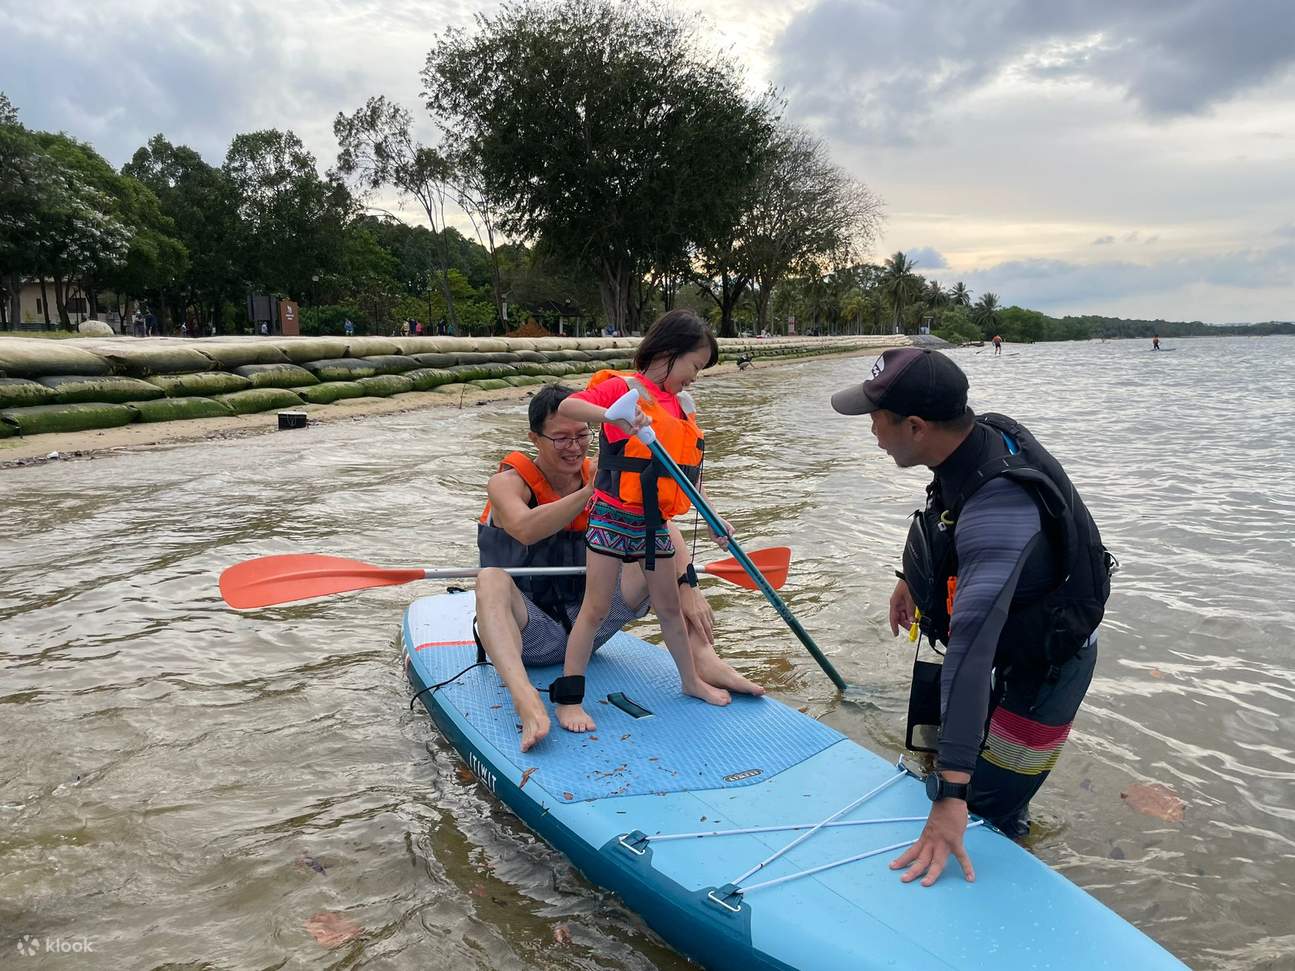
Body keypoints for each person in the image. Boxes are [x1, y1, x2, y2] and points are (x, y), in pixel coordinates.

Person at [831, 347, 1113, 887]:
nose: (870, 430)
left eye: (876, 418)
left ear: (915, 427)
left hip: (1048, 664)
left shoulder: (1001, 508)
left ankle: (998, 884)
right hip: (1010, 632)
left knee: (988, 807)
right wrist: (910, 576)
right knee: (957, 767)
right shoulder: (971, 438)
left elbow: (971, 650)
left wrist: (951, 795)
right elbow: (945, 513)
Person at [476, 383, 763, 751]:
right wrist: (590, 493)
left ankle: (703, 660)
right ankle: (526, 700)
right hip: (533, 632)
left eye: (582, 435)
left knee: (652, 537)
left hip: (587, 626)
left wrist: (687, 584)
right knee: (490, 580)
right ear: (535, 438)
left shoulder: (603, 472)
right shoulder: (505, 484)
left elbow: (659, 520)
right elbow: (525, 529)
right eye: (561, 438)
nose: (574, 447)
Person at [553, 309, 750, 735]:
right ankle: (569, 700)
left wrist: (716, 521)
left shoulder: (680, 407)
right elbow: (568, 405)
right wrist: (612, 416)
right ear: (667, 352)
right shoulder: (623, 389)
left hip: (654, 523)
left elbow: (687, 479)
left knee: (669, 608)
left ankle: (691, 680)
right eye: (694, 366)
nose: (695, 377)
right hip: (611, 517)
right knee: (595, 608)